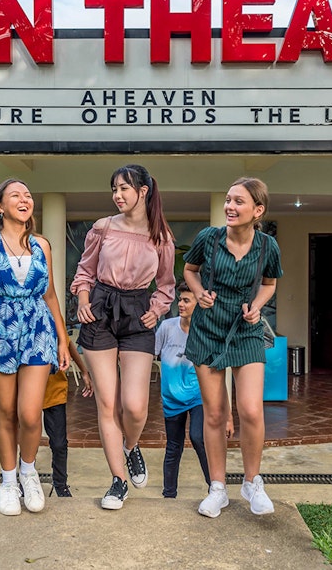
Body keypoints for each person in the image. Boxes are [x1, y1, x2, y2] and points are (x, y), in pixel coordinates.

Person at [70, 163, 176, 510]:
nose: (117, 195)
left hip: (137, 312)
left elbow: (166, 285)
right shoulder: (102, 228)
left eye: (124, 189)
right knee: (107, 404)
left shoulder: (160, 237)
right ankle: (118, 481)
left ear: (142, 191)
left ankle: (130, 447)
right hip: (100, 308)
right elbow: (84, 271)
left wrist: (157, 309)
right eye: (114, 189)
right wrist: (84, 300)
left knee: (135, 405)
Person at [0, 178, 71, 517]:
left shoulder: (42, 245)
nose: (25, 199)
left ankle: (28, 472)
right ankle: (8, 481)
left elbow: (50, 295)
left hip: (38, 331)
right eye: (15, 195)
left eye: (28, 194)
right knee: (7, 414)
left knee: (29, 412)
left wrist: (63, 339)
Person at [182, 177, 282, 518]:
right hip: (208, 328)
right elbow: (189, 270)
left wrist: (257, 304)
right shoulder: (208, 239)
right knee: (214, 413)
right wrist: (198, 293)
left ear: (257, 210)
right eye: (228, 200)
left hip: (246, 328)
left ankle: (253, 482)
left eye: (238, 202)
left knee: (251, 410)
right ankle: (218, 488)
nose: (230, 207)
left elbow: (269, 284)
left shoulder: (268, 246)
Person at [156, 281, 232, 498]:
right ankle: (169, 495)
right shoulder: (166, 328)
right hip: (171, 399)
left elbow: (219, 377)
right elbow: (150, 356)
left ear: (199, 304)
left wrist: (227, 416)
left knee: (199, 437)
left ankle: (216, 488)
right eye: (180, 299)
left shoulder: (207, 333)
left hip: (199, 397)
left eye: (186, 300)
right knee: (173, 448)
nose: (180, 304)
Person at [42, 338, 93, 497]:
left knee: (59, 443)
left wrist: (84, 371)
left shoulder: (56, 322)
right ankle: (25, 480)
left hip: (54, 389)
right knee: (27, 439)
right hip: (28, 390)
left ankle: (60, 484)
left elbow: (68, 343)